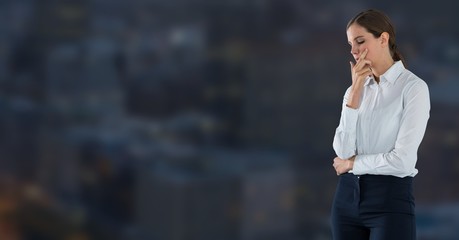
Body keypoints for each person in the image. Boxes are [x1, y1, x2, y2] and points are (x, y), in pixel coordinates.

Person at [331, 9, 430, 240]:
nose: (354, 51)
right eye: (350, 44)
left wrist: (353, 163)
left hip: (390, 201)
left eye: (360, 41)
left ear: (383, 39)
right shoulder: (353, 91)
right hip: (345, 201)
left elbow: (402, 161)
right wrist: (355, 91)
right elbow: (342, 151)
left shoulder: (413, 88)